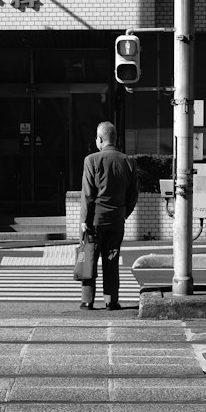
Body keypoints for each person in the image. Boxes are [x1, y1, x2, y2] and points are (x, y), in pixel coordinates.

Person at [79, 121, 138, 310]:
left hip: (95, 222)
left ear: (100, 139)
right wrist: (123, 214)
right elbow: (133, 195)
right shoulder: (128, 161)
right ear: (115, 139)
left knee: (89, 259)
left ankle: (88, 300)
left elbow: (88, 194)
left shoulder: (91, 160)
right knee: (111, 260)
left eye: (97, 138)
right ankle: (111, 300)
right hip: (116, 222)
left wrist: (84, 221)